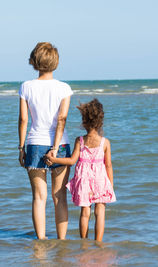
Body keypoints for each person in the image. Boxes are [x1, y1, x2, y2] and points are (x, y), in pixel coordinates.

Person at [18, 42, 73, 240]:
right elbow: (61, 119)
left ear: (34, 61)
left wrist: (21, 148)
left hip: (34, 144)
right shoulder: (64, 88)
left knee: (39, 198)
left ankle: (40, 242)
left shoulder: (26, 87)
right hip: (61, 145)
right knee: (59, 197)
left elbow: (24, 120)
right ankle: (62, 243)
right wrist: (56, 148)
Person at [45, 98, 116, 242]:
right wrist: (111, 185)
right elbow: (108, 165)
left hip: (83, 180)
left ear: (84, 122)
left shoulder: (80, 140)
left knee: (85, 212)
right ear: (100, 121)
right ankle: (98, 242)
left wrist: (54, 159)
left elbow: (71, 161)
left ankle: (84, 242)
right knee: (100, 211)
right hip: (101, 180)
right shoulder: (105, 142)